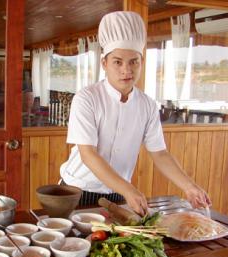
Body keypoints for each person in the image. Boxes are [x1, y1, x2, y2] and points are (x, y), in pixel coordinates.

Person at [59, 11, 211, 216]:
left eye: (134, 61)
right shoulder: (87, 98)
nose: (126, 70)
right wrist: (129, 189)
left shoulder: (147, 105)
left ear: (141, 61)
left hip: (118, 194)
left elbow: (160, 153)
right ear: (104, 63)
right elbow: (88, 154)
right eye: (118, 62)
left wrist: (189, 186)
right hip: (78, 191)